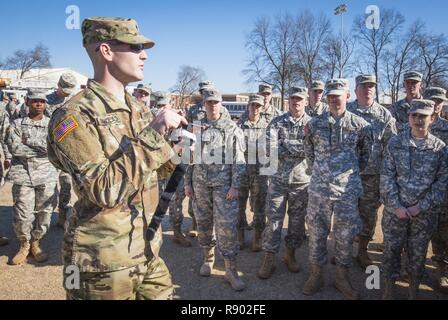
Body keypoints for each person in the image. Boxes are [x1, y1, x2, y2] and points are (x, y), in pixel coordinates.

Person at [47, 16, 187, 300]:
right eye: (135, 47)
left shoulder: (137, 108)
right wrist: (155, 133)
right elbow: (104, 189)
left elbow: (156, 173)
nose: (144, 55)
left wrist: (176, 147)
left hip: (147, 250)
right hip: (102, 263)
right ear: (106, 52)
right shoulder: (73, 116)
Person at [302, 79, 372, 300]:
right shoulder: (314, 124)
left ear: (347, 96)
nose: (333, 98)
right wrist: (321, 173)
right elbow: (309, 154)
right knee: (316, 233)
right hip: (319, 191)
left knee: (344, 236)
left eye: (338, 95)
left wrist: (346, 178)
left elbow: (365, 156)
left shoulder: (361, 126)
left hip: (346, 193)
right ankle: (316, 274)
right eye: (330, 95)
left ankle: (342, 278)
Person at [380, 99, 448, 300]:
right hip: (395, 213)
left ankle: (412, 293)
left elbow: (442, 184)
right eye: (414, 115)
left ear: (433, 119)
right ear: (409, 117)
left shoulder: (441, 149)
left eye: (423, 116)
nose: (418, 120)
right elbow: (386, 177)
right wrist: (396, 206)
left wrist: (421, 207)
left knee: (417, 256)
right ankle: (388, 291)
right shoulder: (396, 143)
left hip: (424, 216)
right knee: (391, 253)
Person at [184, 89, 247, 291]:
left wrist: (235, 186)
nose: (212, 105)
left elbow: (239, 160)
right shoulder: (196, 128)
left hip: (223, 186)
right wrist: (187, 183)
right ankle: (208, 258)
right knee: (203, 222)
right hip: (200, 184)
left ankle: (230, 269)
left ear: (221, 104)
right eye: (209, 102)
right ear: (204, 105)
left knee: (226, 227)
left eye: (216, 102)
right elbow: (188, 157)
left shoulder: (231, 128)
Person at [257, 87, 311, 279]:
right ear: (288, 101)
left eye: (300, 99)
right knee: (273, 220)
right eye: (293, 98)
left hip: (301, 182)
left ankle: (290, 255)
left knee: (296, 223)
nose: (296, 102)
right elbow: (269, 148)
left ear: (306, 101)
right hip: (278, 181)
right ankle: (269, 258)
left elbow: (311, 149)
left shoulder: (312, 124)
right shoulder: (276, 122)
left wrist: (285, 145)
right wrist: (299, 146)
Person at [347, 74, 397, 269]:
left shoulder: (384, 115)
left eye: (371, 86)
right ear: (356, 89)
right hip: (347, 175)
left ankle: (362, 251)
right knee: (346, 214)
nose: (368, 89)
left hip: (372, 176)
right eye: (364, 85)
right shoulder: (346, 110)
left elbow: (391, 147)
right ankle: (343, 249)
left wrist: (387, 176)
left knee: (368, 215)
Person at [5, 89, 58, 265]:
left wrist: (30, 144)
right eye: (34, 101)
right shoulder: (17, 124)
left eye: (41, 101)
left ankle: (36, 242)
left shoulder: (52, 125)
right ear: (27, 102)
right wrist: (42, 148)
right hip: (23, 175)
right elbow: (15, 148)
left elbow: (54, 149)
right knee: (23, 215)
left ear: (45, 104)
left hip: (47, 174)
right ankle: (24, 244)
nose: (38, 104)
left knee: (45, 214)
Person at [423, 87, 448, 292]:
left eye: (440, 100)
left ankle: (443, 270)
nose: (437, 104)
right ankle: (414, 267)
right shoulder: (415, 123)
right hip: (417, 189)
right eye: (433, 100)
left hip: (442, 189)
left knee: (443, 230)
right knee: (418, 231)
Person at [237, 94, 270, 251]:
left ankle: (258, 237)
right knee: (239, 205)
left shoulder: (268, 126)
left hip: (260, 174)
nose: (255, 108)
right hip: (242, 172)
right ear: (248, 106)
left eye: (258, 106)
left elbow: (272, 151)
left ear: (262, 108)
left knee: (259, 206)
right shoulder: (239, 126)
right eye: (253, 105)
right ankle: (240, 236)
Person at [46, 72, 78, 228]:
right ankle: (44, 218)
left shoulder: (73, 101)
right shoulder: (46, 101)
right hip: (49, 150)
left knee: (66, 185)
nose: (66, 92)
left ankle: (62, 217)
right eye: (64, 88)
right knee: (49, 186)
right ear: (58, 85)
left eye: (69, 89)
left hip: (66, 150)